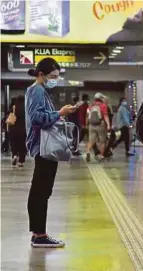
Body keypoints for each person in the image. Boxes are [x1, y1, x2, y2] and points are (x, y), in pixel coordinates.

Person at [25, 57, 77, 248]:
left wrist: (59, 113)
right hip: (43, 147)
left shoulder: (38, 91)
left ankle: (38, 233)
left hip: (43, 147)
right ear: (41, 74)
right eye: (53, 76)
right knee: (41, 191)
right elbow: (37, 118)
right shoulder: (37, 90)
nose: (55, 79)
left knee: (41, 190)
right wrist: (59, 113)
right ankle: (39, 235)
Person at [86, 93, 110, 162]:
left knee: (91, 140)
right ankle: (101, 156)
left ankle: (88, 151)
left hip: (91, 125)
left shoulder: (90, 106)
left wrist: (87, 124)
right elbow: (105, 116)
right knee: (102, 141)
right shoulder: (103, 106)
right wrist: (108, 125)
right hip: (100, 125)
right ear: (101, 98)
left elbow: (87, 116)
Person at [9, 95, 27, 167]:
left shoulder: (13, 106)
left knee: (14, 144)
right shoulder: (26, 107)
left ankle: (15, 155)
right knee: (23, 145)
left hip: (13, 129)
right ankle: (21, 161)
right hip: (24, 130)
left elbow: (8, 116)